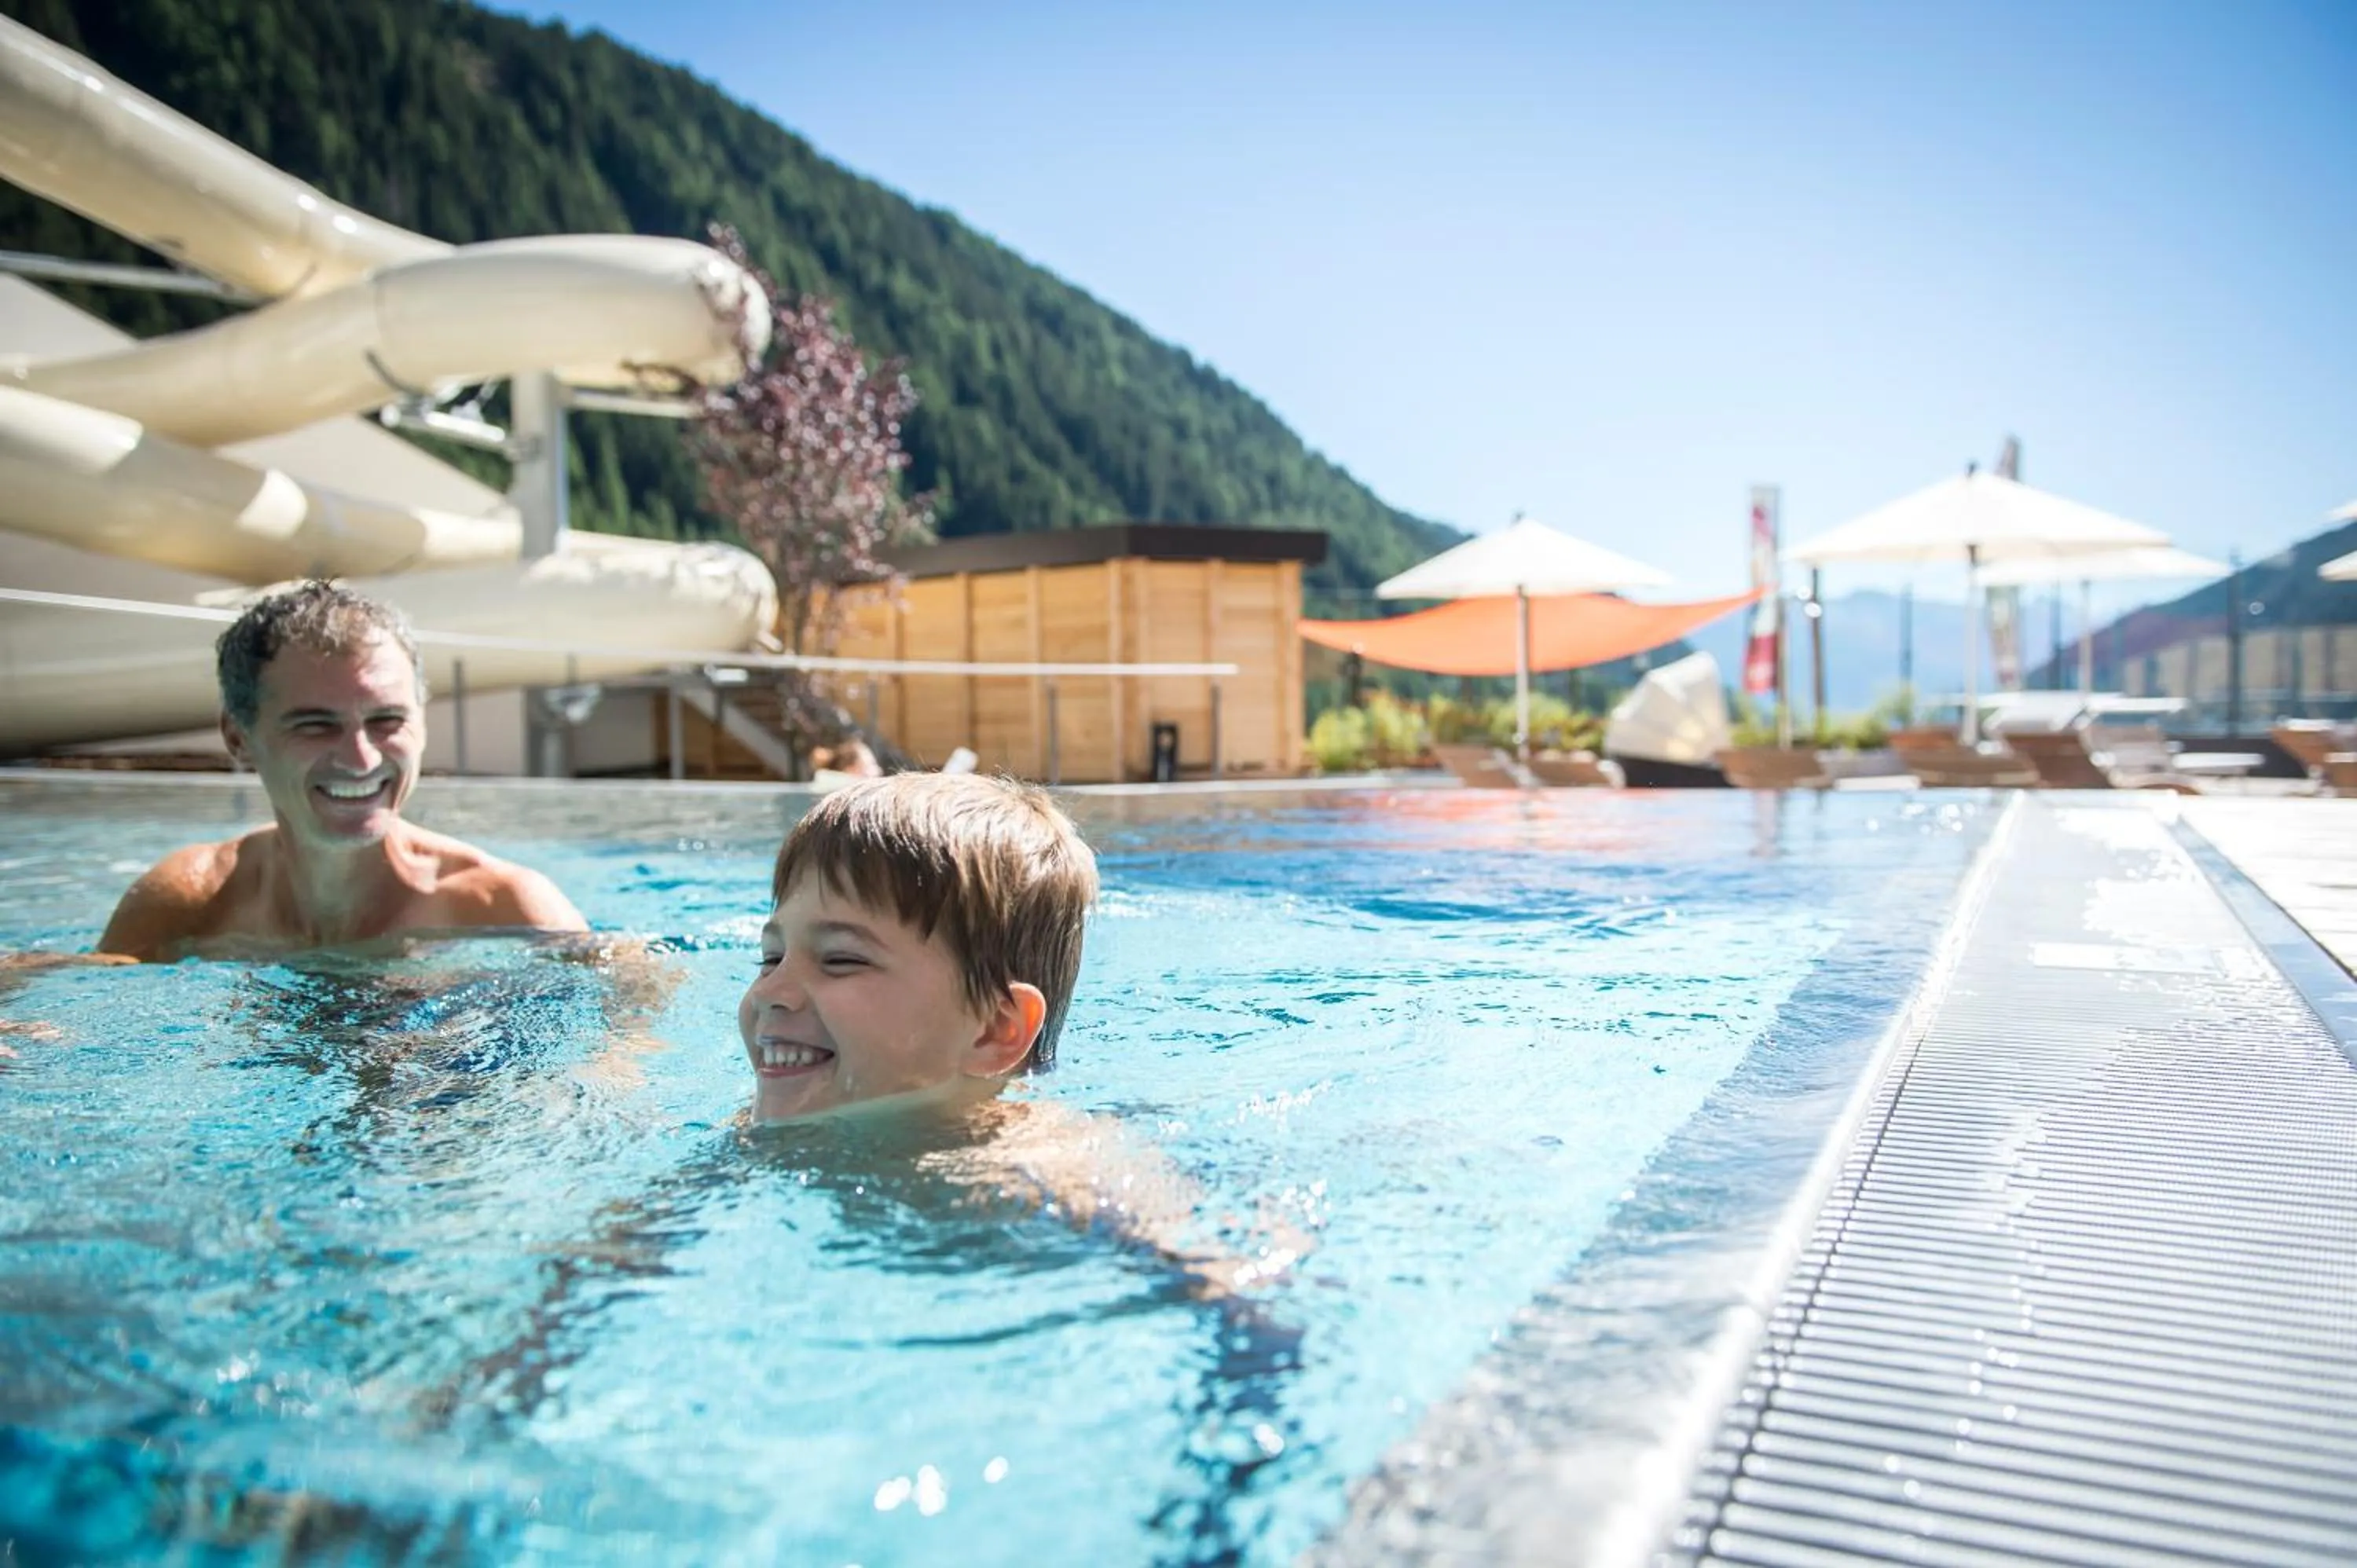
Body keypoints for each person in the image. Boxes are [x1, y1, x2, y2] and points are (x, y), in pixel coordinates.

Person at [97, 581, 587, 962]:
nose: (361, 759)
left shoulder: (502, 906)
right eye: (315, 725)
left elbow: (627, 1005)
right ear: (238, 738)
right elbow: (84, 1001)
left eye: (387, 720)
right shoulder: (191, 898)